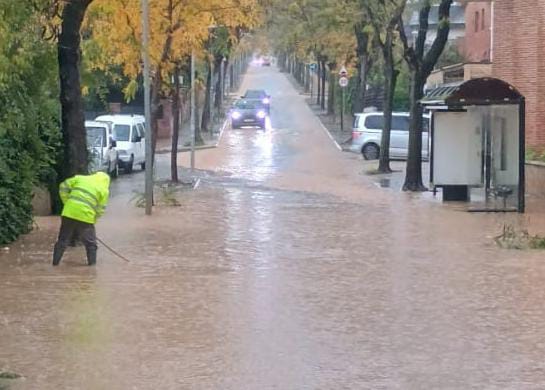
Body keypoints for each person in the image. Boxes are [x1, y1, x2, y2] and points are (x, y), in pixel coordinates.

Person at [52, 172, 111, 266]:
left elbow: (63, 186)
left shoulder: (80, 178)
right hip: (86, 217)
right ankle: (92, 268)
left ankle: (55, 264)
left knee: (63, 240)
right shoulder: (104, 190)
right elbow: (100, 209)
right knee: (91, 244)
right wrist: (93, 220)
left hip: (68, 213)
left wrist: (66, 201)